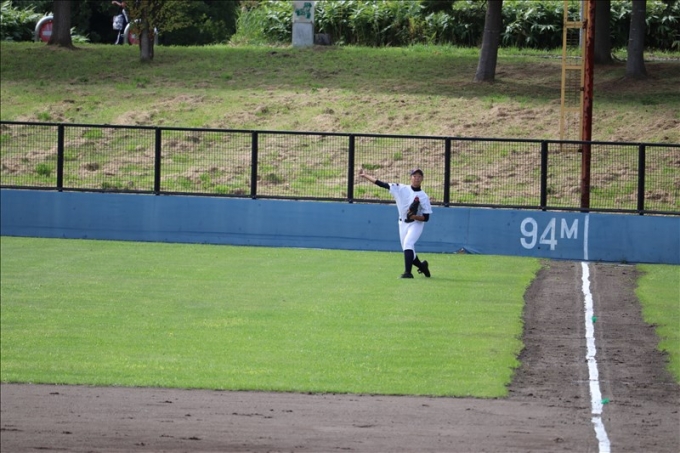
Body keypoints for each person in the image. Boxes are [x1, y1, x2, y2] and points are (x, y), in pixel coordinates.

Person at [359, 168, 432, 279]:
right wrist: (366, 176)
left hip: (416, 223)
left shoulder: (424, 196)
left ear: (422, 179)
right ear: (410, 178)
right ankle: (422, 266)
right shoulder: (401, 188)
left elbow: (426, 218)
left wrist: (414, 216)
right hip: (402, 223)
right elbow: (382, 184)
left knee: (408, 244)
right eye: (414, 176)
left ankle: (408, 273)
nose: (417, 178)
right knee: (408, 249)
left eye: (419, 176)